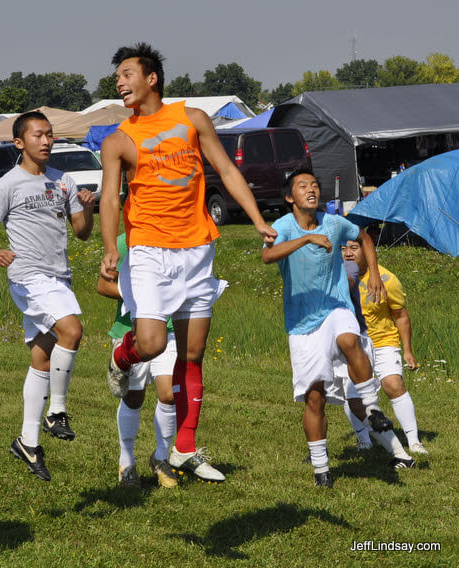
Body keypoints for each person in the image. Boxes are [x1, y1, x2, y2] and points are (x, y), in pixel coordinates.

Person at [99, 43, 276, 484]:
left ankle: (183, 447)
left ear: (151, 77)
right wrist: (108, 247)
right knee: (153, 343)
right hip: (149, 250)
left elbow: (228, 172)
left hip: (198, 248)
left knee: (193, 354)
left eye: (126, 74)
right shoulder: (118, 139)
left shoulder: (193, 119)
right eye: (116, 77)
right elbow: (108, 198)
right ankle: (122, 360)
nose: (119, 83)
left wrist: (257, 220)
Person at [262, 168, 401, 488]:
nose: (311, 189)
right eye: (302, 186)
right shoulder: (282, 227)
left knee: (349, 338)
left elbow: (364, 236)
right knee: (315, 398)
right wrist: (307, 238)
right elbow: (267, 256)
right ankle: (322, 468)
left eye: (314, 185)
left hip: (336, 306)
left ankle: (371, 409)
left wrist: (375, 273)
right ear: (289, 198)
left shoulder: (336, 223)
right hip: (301, 321)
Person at [0, 111, 95, 482]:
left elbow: (82, 233)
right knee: (72, 332)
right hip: (28, 278)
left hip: (58, 277)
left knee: (42, 356)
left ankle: (27, 441)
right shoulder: (7, 184)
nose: (46, 141)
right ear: (19, 142)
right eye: (38, 135)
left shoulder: (64, 182)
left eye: (50, 135)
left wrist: (87, 208)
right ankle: (56, 411)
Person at [98, 233, 178, 489]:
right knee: (134, 397)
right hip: (130, 330)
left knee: (169, 394)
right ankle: (127, 463)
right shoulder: (124, 241)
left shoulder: (177, 238)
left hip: (169, 330)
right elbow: (103, 286)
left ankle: (161, 458)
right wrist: (138, 296)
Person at [341, 239, 427, 454]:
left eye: (354, 248)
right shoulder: (336, 277)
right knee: (352, 396)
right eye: (343, 249)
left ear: (366, 250)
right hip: (354, 344)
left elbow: (401, 316)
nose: (348, 253)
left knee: (393, 385)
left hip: (383, 342)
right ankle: (364, 440)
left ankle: (414, 442)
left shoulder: (386, 278)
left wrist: (407, 350)